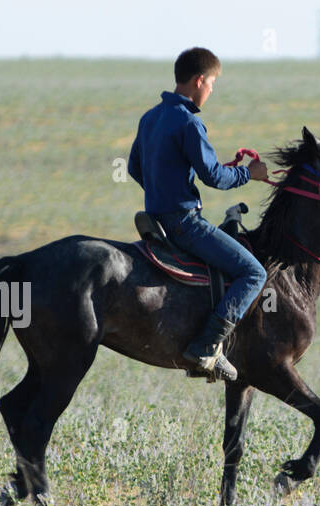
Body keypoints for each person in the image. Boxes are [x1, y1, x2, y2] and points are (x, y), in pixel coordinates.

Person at [128, 47, 268, 381]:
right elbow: (214, 176)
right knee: (253, 273)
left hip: (155, 219)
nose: (211, 91)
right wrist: (251, 174)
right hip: (184, 223)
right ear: (199, 80)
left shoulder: (150, 117)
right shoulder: (189, 122)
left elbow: (135, 167)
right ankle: (207, 346)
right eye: (212, 84)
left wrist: (163, 185)